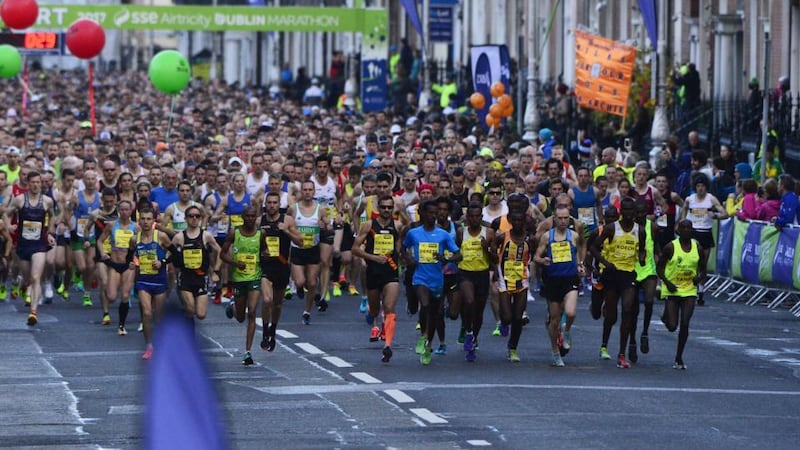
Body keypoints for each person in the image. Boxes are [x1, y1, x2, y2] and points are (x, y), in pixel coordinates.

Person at [401, 200, 460, 366]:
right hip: (420, 277)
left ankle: (428, 346)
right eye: (429, 213)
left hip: (437, 279)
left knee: (435, 314)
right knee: (424, 304)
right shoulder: (414, 233)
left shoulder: (443, 234)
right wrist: (408, 259)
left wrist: (446, 258)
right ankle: (423, 336)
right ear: (422, 214)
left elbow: (458, 254)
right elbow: (403, 249)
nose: (433, 216)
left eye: (435, 213)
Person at [589, 197, 646, 368]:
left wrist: (642, 258)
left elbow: (642, 250)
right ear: (622, 212)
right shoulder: (611, 228)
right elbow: (593, 247)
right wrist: (605, 263)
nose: (629, 214)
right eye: (626, 210)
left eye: (632, 211)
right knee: (611, 315)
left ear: (635, 213)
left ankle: (622, 354)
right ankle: (604, 344)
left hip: (628, 275)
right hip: (611, 274)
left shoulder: (640, 231)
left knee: (628, 310)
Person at [352, 195, 404, 363]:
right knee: (374, 309)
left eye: (390, 207)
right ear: (378, 209)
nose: (387, 210)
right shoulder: (368, 225)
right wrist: (372, 258)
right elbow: (355, 249)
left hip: (391, 273)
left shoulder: (397, 226)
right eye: (384, 207)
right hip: (373, 272)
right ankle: (373, 315)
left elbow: (401, 247)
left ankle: (387, 346)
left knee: (389, 307)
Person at [534, 204, 585, 367]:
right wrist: (543, 260)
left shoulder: (574, 236)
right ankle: (555, 352)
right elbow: (536, 257)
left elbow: (580, 251)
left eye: (566, 218)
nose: (563, 221)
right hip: (552, 280)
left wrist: (581, 265)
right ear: (554, 219)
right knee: (554, 320)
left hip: (570, 279)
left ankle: (567, 330)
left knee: (570, 312)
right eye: (560, 218)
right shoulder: (547, 237)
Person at [5, 171, 56, 325]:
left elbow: (53, 216)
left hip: (39, 244)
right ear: (28, 184)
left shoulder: (47, 201)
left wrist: (50, 233)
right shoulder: (20, 200)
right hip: (23, 244)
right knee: (27, 277)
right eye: (32, 182)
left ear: (41, 183)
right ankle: (22, 286)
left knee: (35, 277)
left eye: (38, 182)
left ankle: (33, 312)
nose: (35, 185)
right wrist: (9, 226)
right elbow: (6, 214)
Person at [657, 219, 707, 370]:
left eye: (689, 228)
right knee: (672, 326)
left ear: (692, 230)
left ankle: (679, 357)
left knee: (685, 323)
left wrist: (699, 278)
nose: (686, 230)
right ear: (678, 230)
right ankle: (666, 316)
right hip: (673, 289)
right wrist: (667, 282)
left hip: (689, 290)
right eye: (683, 228)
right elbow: (659, 269)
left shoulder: (697, 247)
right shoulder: (670, 247)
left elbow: (703, 269)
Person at [259, 192, 304, 352]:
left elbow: (300, 241)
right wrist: (260, 251)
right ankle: (265, 332)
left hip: (282, 266)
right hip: (265, 266)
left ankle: (273, 329)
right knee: (267, 300)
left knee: (277, 304)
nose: (272, 205)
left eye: (274, 203)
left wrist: (286, 231)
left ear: (279, 205)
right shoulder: (260, 221)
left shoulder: (287, 220)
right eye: (269, 202)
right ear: (265, 204)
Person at [222, 206, 263, 366]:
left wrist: (265, 255)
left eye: (254, 216)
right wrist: (234, 263)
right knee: (240, 317)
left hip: (255, 277)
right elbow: (222, 254)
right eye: (248, 216)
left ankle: (248, 351)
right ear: (243, 217)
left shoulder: (261, 234)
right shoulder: (234, 233)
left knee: (252, 312)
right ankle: (233, 306)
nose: (251, 219)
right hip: (239, 279)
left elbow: (265, 251)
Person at [131, 208, 173, 360]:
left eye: (149, 219)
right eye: (143, 219)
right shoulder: (135, 239)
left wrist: (162, 262)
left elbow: (174, 252)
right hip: (143, 281)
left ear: (153, 221)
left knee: (159, 317)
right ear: (139, 221)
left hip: (159, 281)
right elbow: (132, 255)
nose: (146, 222)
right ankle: (149, 346)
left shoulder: (160, 236)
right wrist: (133, 263)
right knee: (147, 313)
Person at [679, 175, 728, 305]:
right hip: (693, 233)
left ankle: (701, 291)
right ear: (695, 187)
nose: (700, 189)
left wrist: (715, 215)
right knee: (691, 262)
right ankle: (689, 289)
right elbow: (683, 209)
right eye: (698, 186)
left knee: (702, 264)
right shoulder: (690, 199)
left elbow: (725, 213)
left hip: (706, 233)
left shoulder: (711, 199)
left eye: (703, 186)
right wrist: (683, 221)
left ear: (706, 187)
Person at [456, 202, 495, 362]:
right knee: (469, 301)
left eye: (477, 216)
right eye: (471, 216)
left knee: (478, 311)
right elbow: (456, 251)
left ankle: (474, 337)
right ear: (467, 218)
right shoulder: (461, 232)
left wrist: (487, 248)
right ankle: (468, 330)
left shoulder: (489, 232)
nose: (474, 219)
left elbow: (495, 259)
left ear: (481, 217)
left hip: (482, 273)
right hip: (465, 272)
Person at [493, 210, 532, 362]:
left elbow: (534, 256)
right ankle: (503, 323)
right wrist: (494, 268)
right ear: (510, 222)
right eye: (514, 221)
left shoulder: (530, 239)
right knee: (507, 317)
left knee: (517, 317)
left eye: (520, 221)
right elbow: (492, 251)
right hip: (504, 280)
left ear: (524, 222)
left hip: (522, 281)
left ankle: (513, 348)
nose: (517, 223)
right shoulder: (503, 237)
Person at [171, 205, 222, 323]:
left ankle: (183, 315)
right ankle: (187, 333)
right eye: (191, 216)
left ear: (200, 218)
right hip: (185, 278)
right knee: (190, 308)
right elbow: (169, 254)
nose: (194, 218)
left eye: (197, 216)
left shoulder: (206, 236)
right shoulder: (179, 237)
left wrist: (216, 271)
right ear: (185, 218)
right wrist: (171, 269)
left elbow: (220, 251)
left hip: (201, 278)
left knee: (201, 314)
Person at [289, 180, 328, 325]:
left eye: (310, 190)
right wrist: (293, 233)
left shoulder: (320, 209)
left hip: (313, 250)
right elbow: (288, 224)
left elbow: (327, 225)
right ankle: (298, 287)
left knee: (311, 283)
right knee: (300, 281)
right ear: (301, 192)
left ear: (314, 192)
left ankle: (307, 311)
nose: (307, 192)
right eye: (304, 190)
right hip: (297, 249)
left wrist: (324, 225)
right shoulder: (294, 209)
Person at [96, 200, 137, 336]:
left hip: (128, 266)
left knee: (125, 295)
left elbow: (142, 246)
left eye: (127, 210)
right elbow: (100, 241)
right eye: (122, 210)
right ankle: (106, 302)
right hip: (114, 264)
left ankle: (121, 325)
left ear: (131, 211)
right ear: (118, 211)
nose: (124, 212)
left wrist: (136, 261)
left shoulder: (136, 227)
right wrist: (103, 253)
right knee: (112, 296)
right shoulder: (112, 225)